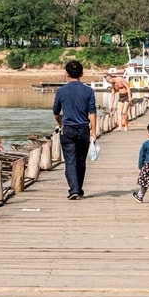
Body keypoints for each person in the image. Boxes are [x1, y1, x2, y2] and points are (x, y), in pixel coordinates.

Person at [53, 60, 98, 200]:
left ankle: (74, 189)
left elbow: (55, 111)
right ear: (82, 74)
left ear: (66, 74)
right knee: (81, 160)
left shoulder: (61, 91)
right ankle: (78, 188)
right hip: (83, 129)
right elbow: (92, 113)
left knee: (70, 161)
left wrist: (60, 123)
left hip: (68, 130)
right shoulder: (88, 90)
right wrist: (94, 132)